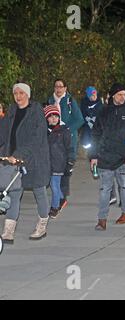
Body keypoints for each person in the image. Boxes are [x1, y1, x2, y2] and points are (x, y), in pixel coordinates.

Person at [0, 83, 51, 243]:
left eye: (21, 93)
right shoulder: (12, 111)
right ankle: (8, 231)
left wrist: (20, 154)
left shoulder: (36, 112)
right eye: (16, 93)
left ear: (28, 95)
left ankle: (42, 226)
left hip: (33, 159)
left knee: (39, 192)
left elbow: (36, 138)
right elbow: (3, 134)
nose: (18, 96)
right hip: (13, 159)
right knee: (14, 193)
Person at [89, 83, 125, 231]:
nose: (122, 97)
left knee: (124, 186)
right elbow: (95, 134)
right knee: (104, 189)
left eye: (124, 94)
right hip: (105, 157)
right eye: (119, 94)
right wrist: (93, 155)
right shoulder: (103, 112)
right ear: (113, 95)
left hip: (124, 158)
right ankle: (102, 219)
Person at [48, 79, 84, 209]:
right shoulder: (50, 100)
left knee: (65, 170)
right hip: (54, 141)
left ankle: (62, 197)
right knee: (55, 170)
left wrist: (67, 130)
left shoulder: (70, 101)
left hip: (67, 140)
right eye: (56, 86)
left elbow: (80, 119)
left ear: (65, 88)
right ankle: (59, 197)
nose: (58, 89)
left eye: (60, 87)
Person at [44, 105, 75, 219]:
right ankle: (62, 198)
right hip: (48, 163)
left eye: (55, 116)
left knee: (54, 185)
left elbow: (70, 147)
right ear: (46, 118)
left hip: (59, 164)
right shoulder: (45, 131)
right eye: (50, 117)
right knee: (53, 185)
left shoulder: (64, 131)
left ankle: (55, 207)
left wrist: (70, 161)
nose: (53, 119)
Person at [80, 86, 103, 151]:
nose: (94, 96)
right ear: (88, 96)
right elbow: (82, 116)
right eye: (92, 95)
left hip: (98, 130)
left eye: (95, 94)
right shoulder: (84, 104)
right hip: (87, 130)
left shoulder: (100, 103)